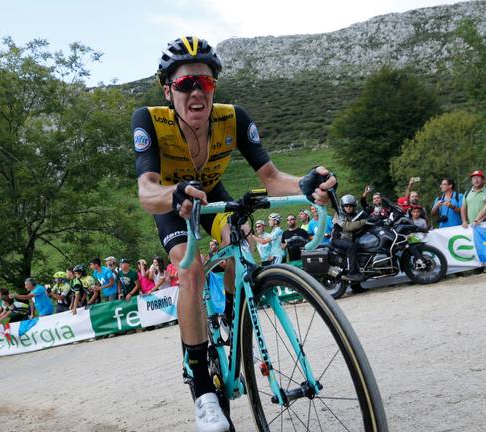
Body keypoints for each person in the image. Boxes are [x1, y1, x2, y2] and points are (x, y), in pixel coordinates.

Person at [132, 35, 335, 432]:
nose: (196, 92)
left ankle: (227, 315)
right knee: (190, 271)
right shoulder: (148, 120)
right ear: (167, 90)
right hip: (173, 202)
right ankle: (203, 389)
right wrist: (171, 196)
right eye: (185, 84)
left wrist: (309, 182)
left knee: (240, 242)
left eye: (204, 83)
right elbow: (145, 190)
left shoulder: (233, 118)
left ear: (214, 88)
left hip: (211, 195)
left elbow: (273, 178)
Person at [330, 194, 368, 282]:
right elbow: (348, 227)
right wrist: (364, 222)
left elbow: (365, 217)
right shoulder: (339, 215)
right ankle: (352, 273)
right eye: (346, 206)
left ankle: (357, 285)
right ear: (342, 206)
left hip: (347, 239)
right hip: (337, 239)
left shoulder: (355, 215)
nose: (348, 207)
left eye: (351, 205)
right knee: (352, 246)